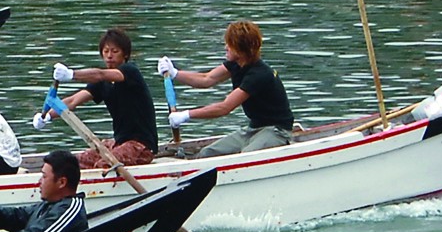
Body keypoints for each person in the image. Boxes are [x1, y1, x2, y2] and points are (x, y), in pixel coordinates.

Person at [165, 21, 295, 155]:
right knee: (207, 153)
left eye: (230, 44)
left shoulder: (259, 74)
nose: (226, 47)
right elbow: (206, 79)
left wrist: (186, 115)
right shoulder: (235, 64)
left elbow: (225, 107)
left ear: (241, 49)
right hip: (254, 128)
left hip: (277, 130)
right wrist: (175, 73)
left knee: (247, 155)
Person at [51, 27, 159, 166]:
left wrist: (72, 74)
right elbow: (72, 101)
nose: (109, 56)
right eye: (106, 51)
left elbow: (100, 74)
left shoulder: (130, 71)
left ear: (125, 55)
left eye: (115, 51)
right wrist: (47, 116)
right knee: (75, 162)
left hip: (142, 146)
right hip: (119, 143)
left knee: (104, 164)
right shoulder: (102, 83)